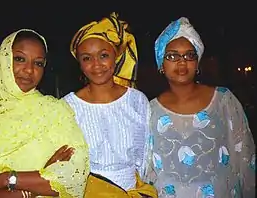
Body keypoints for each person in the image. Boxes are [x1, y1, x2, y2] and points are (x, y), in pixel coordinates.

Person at [0, 29, 89, 198]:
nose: (29, 70)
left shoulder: (54, 111)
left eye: (38, 63)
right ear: (3, 59)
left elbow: (74, 176)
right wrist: (38, 178)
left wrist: (7, 179)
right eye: (20, 59)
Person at [148, 17, 255, 197]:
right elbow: (147, 170)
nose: (182, 62)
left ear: (197, 63)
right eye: (172, 56)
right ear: (161, 65)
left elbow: (245, 157)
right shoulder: (149, 110)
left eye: (189, 55)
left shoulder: (223, 101)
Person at [63, 12, 157, 197]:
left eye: (103, 55)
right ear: (79, 63)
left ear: (116, 56)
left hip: (132, 191)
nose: (96, 65)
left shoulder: (137, 101)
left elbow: (147, 157)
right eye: (87, 58)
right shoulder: (67, 106)